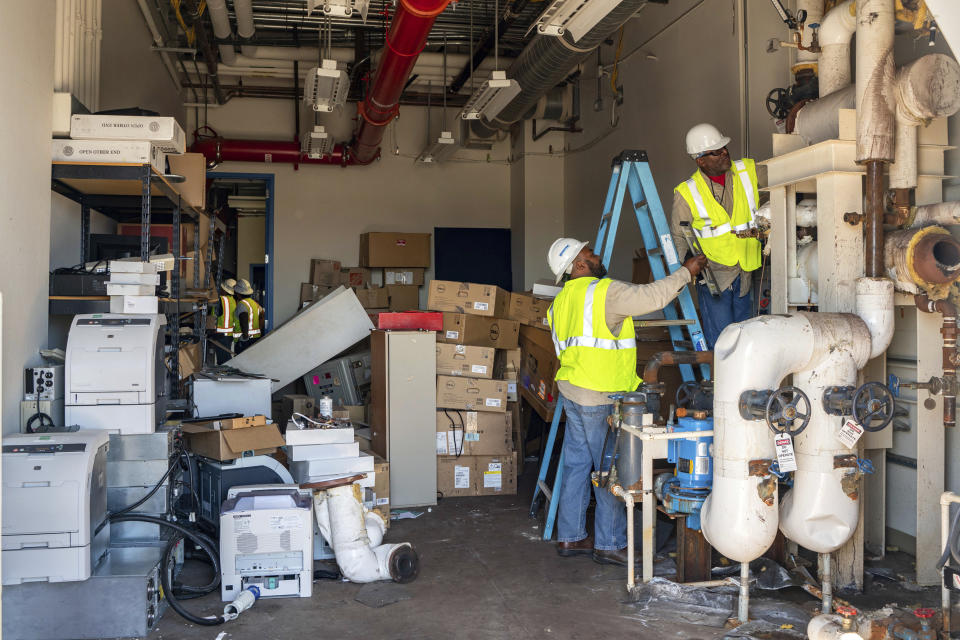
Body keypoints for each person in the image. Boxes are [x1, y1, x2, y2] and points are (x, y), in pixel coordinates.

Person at [546, 237, 706, 566]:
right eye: (589, 252)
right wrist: (686, 273)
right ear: (578, 265)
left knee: (577, 466)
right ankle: (609, 542)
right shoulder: (604, 292)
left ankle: (571, 536)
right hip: (600, 395)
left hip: (573, 392)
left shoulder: (560, 302)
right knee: (610, 471)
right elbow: (652, 297)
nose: (596, 254)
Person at [670, 123, 763, 349]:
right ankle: (720, 383)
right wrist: (685, 272)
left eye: (724, 148)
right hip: (714, 275)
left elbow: (785, 176)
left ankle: (746, 384)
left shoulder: (746, 170)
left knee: (747, 338)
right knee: (722, 341)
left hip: (747, 268)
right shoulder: (687, 191)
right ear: (700, 160)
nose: (725, 153)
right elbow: (679, 235)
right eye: (716, 151)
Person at [233, 278, 264, 354]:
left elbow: (244, 318)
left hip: (245, 340)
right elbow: (262, 315)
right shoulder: (254, 303)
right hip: (255, 338)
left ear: (238, 293)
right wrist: (259, 328)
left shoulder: (242, 304)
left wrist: (245, 336)